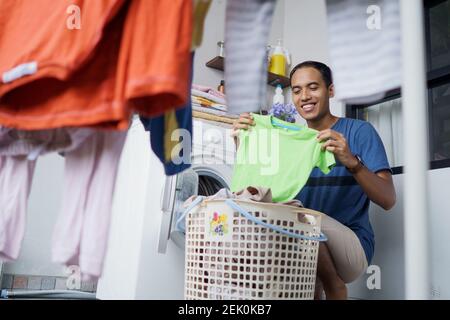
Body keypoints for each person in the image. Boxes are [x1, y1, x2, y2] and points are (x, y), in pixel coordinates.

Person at [232, 61, 396, 300]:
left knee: (299, 215)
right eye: (297, 90)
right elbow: (261, 193)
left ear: (330, 90)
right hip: (303, 249)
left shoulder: (359, 131)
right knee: (265, 220)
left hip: (351, 249)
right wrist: (244, 144)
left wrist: (352, 162)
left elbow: (388, 199)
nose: (305, 96)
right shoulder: (287, 140)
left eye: (313, 87)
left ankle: (333, 285)